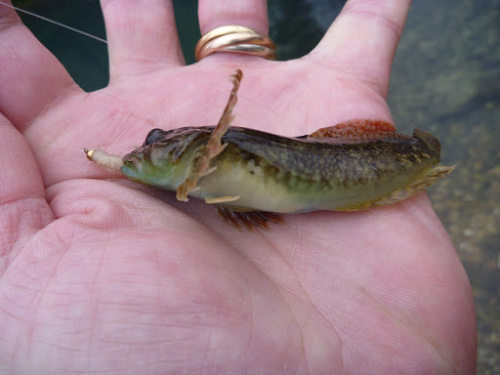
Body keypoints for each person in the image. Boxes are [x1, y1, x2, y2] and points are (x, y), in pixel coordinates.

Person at [0, 0, 477, 373]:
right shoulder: (199, 170)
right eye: (154, 142)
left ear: (196, 149)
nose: (148, 149)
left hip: (359, 166)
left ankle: (420, 155)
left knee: (402, 159)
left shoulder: (208, 157)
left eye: (155, 142)